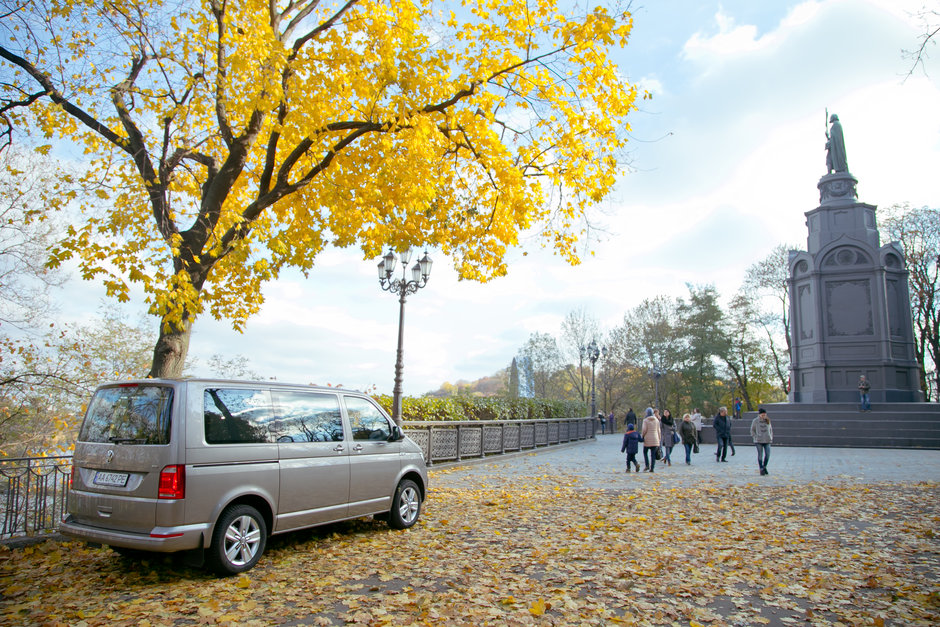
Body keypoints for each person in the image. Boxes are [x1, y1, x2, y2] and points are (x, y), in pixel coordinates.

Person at [750, 407, 773, 475]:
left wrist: (771, 437)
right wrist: (755, 436)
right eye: (762, 415)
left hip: (767, 440)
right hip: (758, 440)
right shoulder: (755, 421)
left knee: (768, 454)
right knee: (760, 455)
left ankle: (764, 466)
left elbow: (770, 429)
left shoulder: (768, 420)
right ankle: (761, 468)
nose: (764, 416)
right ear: (759, 415)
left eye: (765, 415)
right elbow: (752, 430)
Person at [641, 407, 662, 472]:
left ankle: (647, 465)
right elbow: (659, 430)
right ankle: (652, 468)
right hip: (655, 439)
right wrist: (659, 438)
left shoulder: (645, 420)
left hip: (647, 439)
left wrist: (642, 436)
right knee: (653, 454)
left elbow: (644, 430)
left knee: (645, 452)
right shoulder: (656, 420)